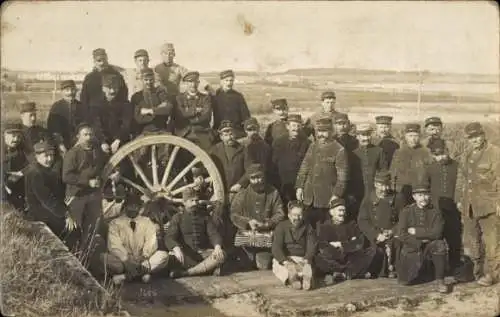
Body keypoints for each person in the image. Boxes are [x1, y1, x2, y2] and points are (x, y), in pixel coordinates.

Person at [456, 122, 500, 286]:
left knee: (492, 243)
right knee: (472, 242)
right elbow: (461, 179)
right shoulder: (467, 155)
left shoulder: (494, 153)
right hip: (469, 206)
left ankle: (493, 275)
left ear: (483, 135)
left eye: (477, 136)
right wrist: (459, 200)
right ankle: (476, 273)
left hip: (488, 206)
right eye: (471, 137)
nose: (475, 140)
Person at [62, 123, 111, 250]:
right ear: (78, 136)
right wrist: (87, 182)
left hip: (93, 195)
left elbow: (105, 164)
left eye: (90, 134)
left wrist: (114, 173)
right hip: (77, 195)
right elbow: (66, 176)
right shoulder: (72, 153)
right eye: (85, 135)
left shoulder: (96, 150)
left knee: (93, 226)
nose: (88, 137)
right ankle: (73, 253)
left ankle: (88, 253)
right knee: (74, 227)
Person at [104, 193, 169, 285]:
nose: (133, 209)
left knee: (163, 256)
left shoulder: (147, 221)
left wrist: (144, 256)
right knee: (104, 258)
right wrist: (126, 259)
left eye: (136, 206)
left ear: (140, 208)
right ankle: (142, 273)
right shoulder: (115, 223)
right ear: (125, 207)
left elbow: (151, 242)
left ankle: (127, 276)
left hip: (143, 259)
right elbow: (114, 245)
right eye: (130, 206)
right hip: (123, 261)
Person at [396, 182, 449, 293]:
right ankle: (424, 271)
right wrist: (418, 242)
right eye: (420, 195)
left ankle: (440, 280)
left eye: (425, 195)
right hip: (412, 247)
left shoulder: (436, 212)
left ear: (429, 195)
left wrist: (416, 231)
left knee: (439, 244)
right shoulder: (406, 212)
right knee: (405, 281)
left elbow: (437, 233)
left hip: (430, 247)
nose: (423, 198)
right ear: (414, 197)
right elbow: (401, 234)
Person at [295, 117, 348, 228]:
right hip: (309, 197)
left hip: (326, 199)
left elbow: (342, 178)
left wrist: (336, 195)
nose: (321, 134)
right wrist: (299, 187)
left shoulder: (339, 150)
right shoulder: (313, 146)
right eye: (319, 131)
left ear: (331, 131)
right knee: (308, 228)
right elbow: (304, 167)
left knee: (323, 229)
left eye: (324, 131)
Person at [231, 164, 285, 270]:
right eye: (253, 178)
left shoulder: (273, 193)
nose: (257, 181)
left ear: (264, 176)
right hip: (246, 242)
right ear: (249, 179)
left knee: (264, 265)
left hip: (266, 239)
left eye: (259, 177)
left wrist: (267, 224)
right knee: (245, 265)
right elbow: (233, 214)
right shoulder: (242, 194)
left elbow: (280, 214)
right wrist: (248, 222)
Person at [24, 141, 77, 245]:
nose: (49, 159)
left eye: (51, 155)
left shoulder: (45, 170)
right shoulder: (36, 173)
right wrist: (65, 214)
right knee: (72, 230)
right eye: (46, 156)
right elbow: (47, 200)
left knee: (74, 225)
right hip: (40, 213)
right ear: (36, 156)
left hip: (48, 209)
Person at [315, 198, 379, 284]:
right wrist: (337, 250)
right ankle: (353, 273)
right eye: (340, 210)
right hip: (334, 259)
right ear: (331, 212)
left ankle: (343, 274)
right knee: (319, 258)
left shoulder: (351, 224)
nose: (342, 213)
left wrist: (342, 245)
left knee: (372, 251)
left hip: (350, 258)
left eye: (344, 210)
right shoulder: (324, 227)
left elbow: (360, 242)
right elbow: (322, 245)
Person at [165, 188, 226, 278]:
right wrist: (176, 248)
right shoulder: (178, 217)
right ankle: (206, 269)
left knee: (222, 255)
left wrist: (217, 247)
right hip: (186, 256)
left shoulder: (204, 216)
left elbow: (213, 233)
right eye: (191, 200)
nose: (195, 203)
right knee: (169, 258)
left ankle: (186, 273)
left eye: (196, 200)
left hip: (203, 255)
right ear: (184, 202)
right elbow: (169, 237)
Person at [422, 138, 461, 276]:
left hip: (453, 209)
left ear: (447, 151)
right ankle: (435, 269)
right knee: (436, 238)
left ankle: (455, 267)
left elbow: (461, 186)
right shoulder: (430, 168)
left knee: (454, 238)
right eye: (437, 155)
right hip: (436, 210)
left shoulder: (457, 166)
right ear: (433, 155)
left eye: (443, 153)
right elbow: (424, 188)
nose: (441, 157)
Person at [358, 171, 399, 278]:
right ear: (375, 184)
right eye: (381, 185)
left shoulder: (398, 198)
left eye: (387, 185)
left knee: (398, 245)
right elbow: (363, 221)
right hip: (375, 235)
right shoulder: (368, 199)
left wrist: (392, 231)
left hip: (393, 235)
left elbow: (403, 220)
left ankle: (394, 267)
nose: (384, 189)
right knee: (375, 251)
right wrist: (376, 234)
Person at [271, 201, 317, 290]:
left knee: (307, 266)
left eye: (300, 215)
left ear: (303, 215)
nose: (297, 218)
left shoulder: (308, 227)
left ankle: (302, 278)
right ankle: (294, 278)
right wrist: (285, 261)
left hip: (302, 258)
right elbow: (276, 247)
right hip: (286, 258)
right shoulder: (281, 226)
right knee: (278, 266)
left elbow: (312, 246)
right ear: (289, 215)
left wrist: (306, 260)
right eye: (294, 215)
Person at [349, 124, 388, 220]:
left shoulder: (379, 151)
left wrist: (379, 190)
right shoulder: (353, 153)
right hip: (358, 192)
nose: (366, 138)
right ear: (357, 136)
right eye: (362, 135)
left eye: (368, 135)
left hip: (374, 191)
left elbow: (384, 172)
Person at [271, 114, 311, 204]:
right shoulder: (279, 142)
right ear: (287, 126)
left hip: (300, 182)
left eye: (298, 125)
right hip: (283, 181)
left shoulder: (307, 143)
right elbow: (274, 163)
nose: (296, 128)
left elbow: (309, 164)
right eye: (293, 125)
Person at [390, 123, 429, 211]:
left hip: (420, 192)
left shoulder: (426, 153)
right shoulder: (398, 152)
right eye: (410, 136)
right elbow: (392, 173)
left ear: (420, 137)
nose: (413, 139)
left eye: (416, 136)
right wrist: (393, 193)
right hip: (401, 192)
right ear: (405, 136)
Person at [174, 71, 215, 152]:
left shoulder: (205, 98)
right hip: (183, 133)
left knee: (208, 155)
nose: (193, 85)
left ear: (198, 83)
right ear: (185, 83)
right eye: (190, 82)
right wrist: (195, 111)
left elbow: (206, 117)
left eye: (195, 82)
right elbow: (179, 116)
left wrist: (187, 116)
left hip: (201, 133)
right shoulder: (179, 98)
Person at [80, 48, 128, 117]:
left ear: (107, 59)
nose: (102, 63)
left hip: (113, 114)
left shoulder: (117, 75)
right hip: (95, 115)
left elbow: (123, 95)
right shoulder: (89, 78)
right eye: (99, 60)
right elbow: (84, 98)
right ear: (94, 61)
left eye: (104, 60)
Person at [97, 74, 135, 154]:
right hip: (103, 144)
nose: (112, 91)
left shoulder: (126, 105)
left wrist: (118, 140)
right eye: (109, 88)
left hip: (122, 142)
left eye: (115, 87)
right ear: (103, 88)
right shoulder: (97, 105)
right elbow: (96, 125)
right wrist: (102, 142)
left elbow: (126, 124)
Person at [131, 68, 174, 136]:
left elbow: (168, 109)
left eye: (151, 79)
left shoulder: (161, 93)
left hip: (162, 131)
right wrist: (159, 110)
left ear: (154, 79)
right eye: (146, 80)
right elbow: (138, 118)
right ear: (141, 80)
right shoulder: (136, 97)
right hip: (144, 132)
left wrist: (150, 111)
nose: (149, 82)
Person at [47, 80, 87, 152]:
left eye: (72, 90)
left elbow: (85, 126)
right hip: (61, 145)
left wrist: (79, 142)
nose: (70, 93)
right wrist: (61, 145)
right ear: (62, 92)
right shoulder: (56, 107)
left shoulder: (82, 107)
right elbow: (53, 129)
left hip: (79, 144)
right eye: (67, 90)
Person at [209, 120, 246, 198]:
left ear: (235, 134)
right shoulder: (214, 150)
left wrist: (240, 183)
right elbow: (207, 166)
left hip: (237, 191)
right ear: (221, 137)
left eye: (231, 134)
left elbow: (249, 169)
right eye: (226, 135)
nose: (229, 137)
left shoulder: (242, 149)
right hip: (219, 190)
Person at [212, 70, 251, 139]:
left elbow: (246, 116)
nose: (229, 83)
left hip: (236, 132)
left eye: (231, 80)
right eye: (226, 80)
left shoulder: (238, 96)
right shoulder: (215, 96)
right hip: (219, 132)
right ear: (221, 81)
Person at [2, 123, 29, 212]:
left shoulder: (23, 147)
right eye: (13, 136)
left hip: (19, 184)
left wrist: (21, 173)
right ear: (5, 135)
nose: (16, 139)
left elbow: (34, 162)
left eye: (18, 136)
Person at [238, 117, 272, 187]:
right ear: (245, 131)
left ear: (258, 128)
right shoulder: (240, 144)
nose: (253, 132)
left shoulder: (265, 146)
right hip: (241, 180)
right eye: (250, 129)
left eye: (255, 129)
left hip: (257, 180)